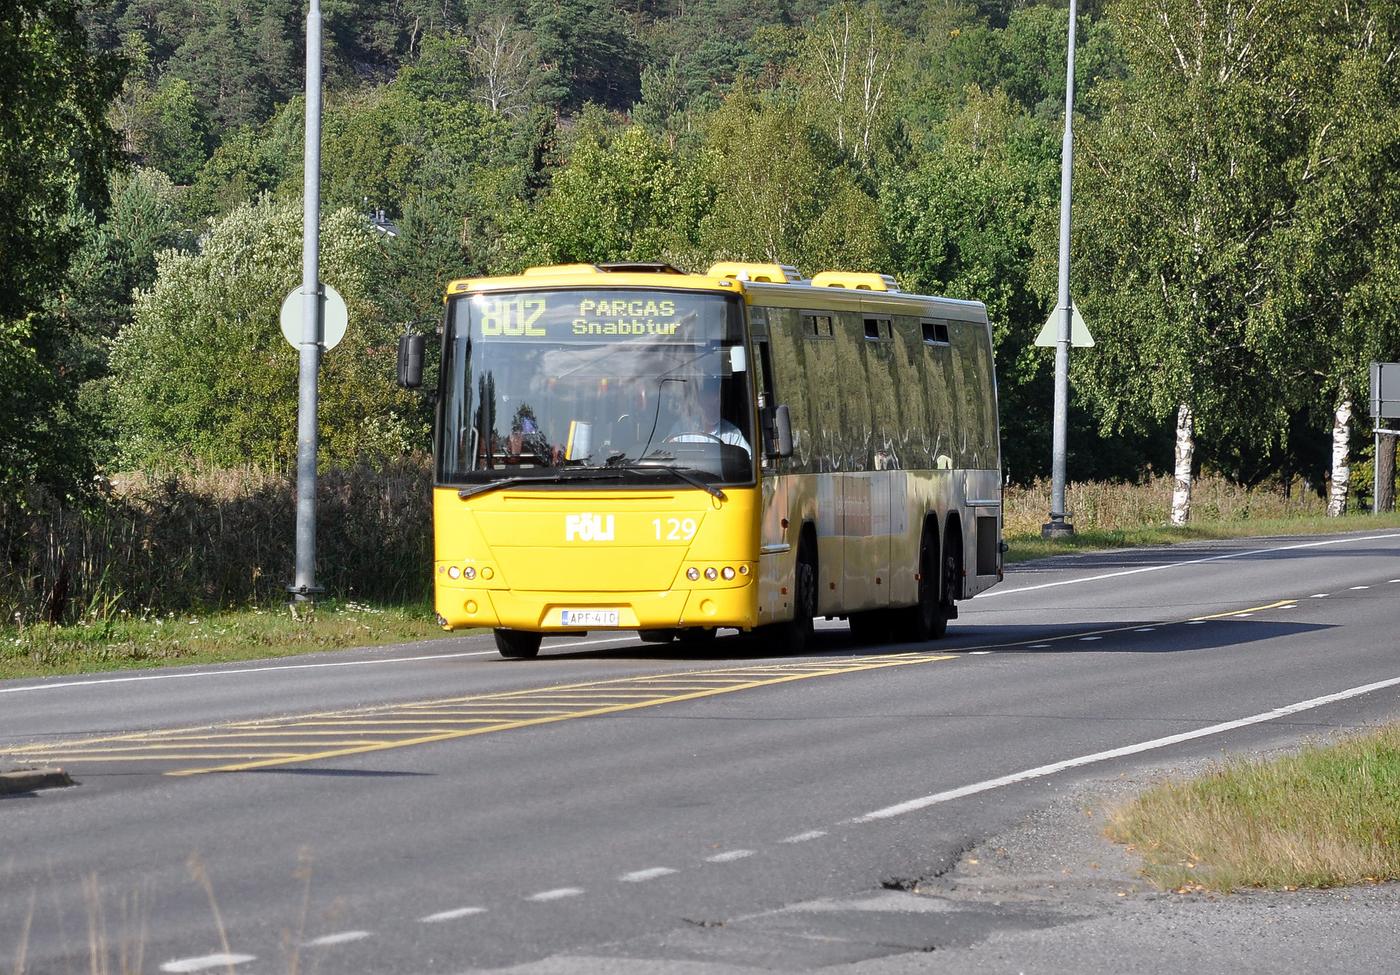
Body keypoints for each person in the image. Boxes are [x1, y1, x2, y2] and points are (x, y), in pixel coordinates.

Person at [667, 377, 751, 456]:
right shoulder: (682, 428)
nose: (712, 410)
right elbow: (666, 454)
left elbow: (748, 460)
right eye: (709, 406)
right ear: (700, 402)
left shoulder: (733, 435)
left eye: (716, 405)